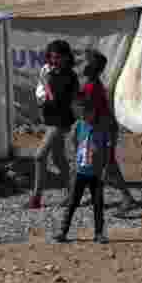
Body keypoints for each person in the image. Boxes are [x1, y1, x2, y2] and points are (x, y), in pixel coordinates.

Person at [80, 49, 139, 216]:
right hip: (102, 127)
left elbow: (90, 111)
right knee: (97, 163)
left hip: (103, 129)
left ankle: (127, 198)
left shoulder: (92, 86)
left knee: (108, 165)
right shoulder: (93, 84)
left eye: (87, 62)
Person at [27, 40, 79, 209]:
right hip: (51, 120)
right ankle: (73, 193)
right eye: (52, 57)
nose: (54, 60)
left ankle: (36, 198)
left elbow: (56, 100)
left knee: (39, 156)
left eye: (57, 57)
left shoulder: (68, 76)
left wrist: (46, 83)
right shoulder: (53, 72)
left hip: (60, 121)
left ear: (66, 57)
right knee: (58, 158)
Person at [54, 96, 111, 244]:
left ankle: (99, 233)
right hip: (80, 172)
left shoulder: (102, 128)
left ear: (93, 112)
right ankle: (63, 231)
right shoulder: (78, 126)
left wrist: (105, 168)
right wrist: (74, 162)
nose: (84, 116)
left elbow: (107, 149)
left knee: (98, 204)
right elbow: (72, 144)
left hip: (96, 173)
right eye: (82, 113)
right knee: (72, 203)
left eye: (87, 113)